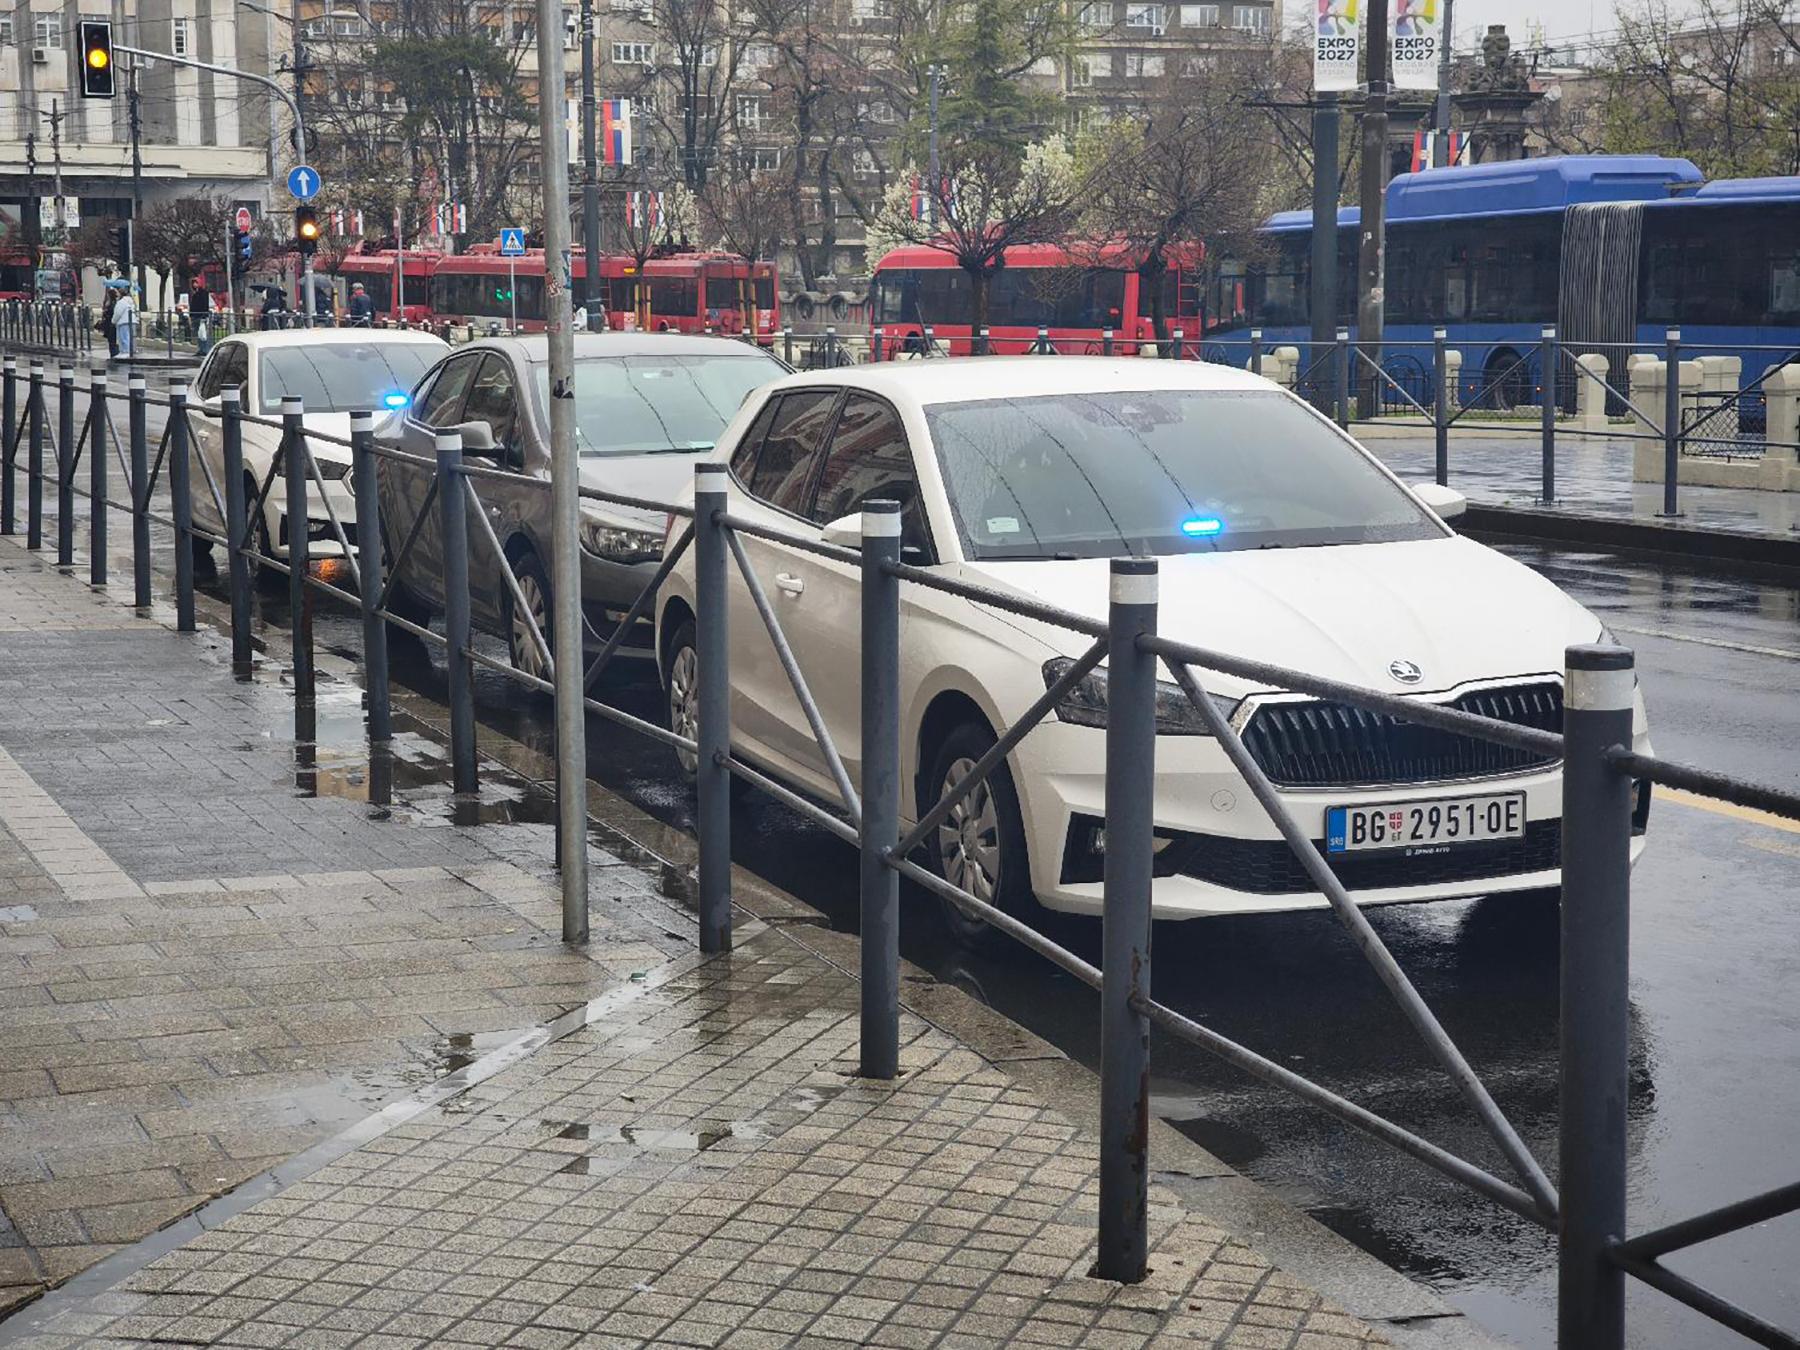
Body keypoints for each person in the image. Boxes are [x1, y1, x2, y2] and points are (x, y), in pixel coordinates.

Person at [112, 284, 139, 359]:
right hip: (130, 321)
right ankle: (125, 351)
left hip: (123, 321)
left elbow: (118, 313)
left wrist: (113, 321)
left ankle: (125, 351)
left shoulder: (122, 302)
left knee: (123, 337)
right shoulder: (130, 301)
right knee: (128, 337)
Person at [97, 284, 120, 359]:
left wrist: (105, 312)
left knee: (112, 341)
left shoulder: (111, 305)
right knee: (112, 341)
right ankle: (113, 354)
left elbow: (109, 314)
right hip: (110, 325)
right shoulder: (114, 304)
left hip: (110, 325)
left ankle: (114, 354)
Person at [190, 277, 212, 355]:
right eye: (193, 283)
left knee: (203, 333)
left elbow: (204, 304)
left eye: (195, 283)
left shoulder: (203, 292)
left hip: (201, 315)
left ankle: (205, 349)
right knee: (198, 333)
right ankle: (201, 349)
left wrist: (204, 315)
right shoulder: (194, 292)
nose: (194, 284)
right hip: (195, 315)